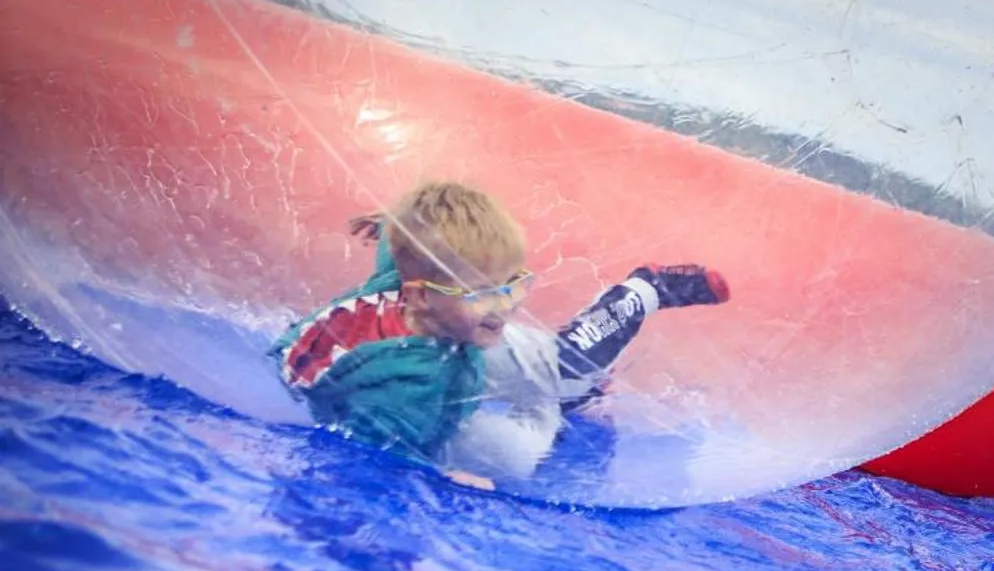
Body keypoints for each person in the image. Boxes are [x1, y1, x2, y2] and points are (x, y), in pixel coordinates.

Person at [272, 181, 728, 485]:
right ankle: (559, 412)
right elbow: (377, 456)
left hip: (446, 339)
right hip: (419, 371)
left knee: (568, 363)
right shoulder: (414, 389)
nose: (506, 305)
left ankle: (643, 291)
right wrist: (438, 477)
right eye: (484, 292)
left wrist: (393, 221)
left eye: (512, 283)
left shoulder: (416, 286)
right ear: (422, 294)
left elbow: (403, 241)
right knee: (520, 462)